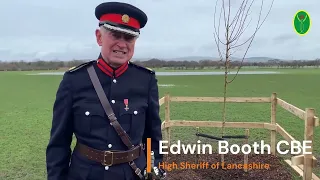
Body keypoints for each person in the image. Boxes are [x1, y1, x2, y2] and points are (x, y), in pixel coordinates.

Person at [46, 2, 165, 180]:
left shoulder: (145, 81)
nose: (122, 44)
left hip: (132, 174)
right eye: (116, 35)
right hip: (85, 175)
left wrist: (154, 169)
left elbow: (152, 137)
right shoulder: (74, 80)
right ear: (99, 37)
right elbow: (59, 143)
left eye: (129, 38)